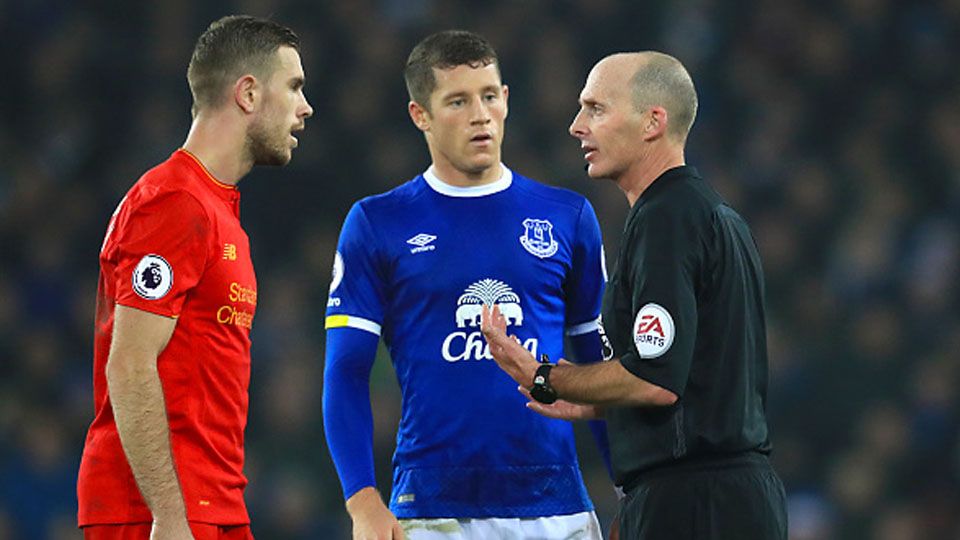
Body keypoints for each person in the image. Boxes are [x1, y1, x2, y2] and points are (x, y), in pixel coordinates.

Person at [480, 52, 789, 539]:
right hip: (724, 497)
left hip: (695, 503)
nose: (576, 125)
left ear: (653, 122)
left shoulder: (666, 219)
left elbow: (656, 379)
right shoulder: (713, 215)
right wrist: (600, 405)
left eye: (596, 108)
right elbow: (696, 381)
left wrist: (548, 376)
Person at [323, 30, 610, 540]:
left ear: (507, 101)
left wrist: (628, 486)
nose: (480, 114)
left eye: (489, 96)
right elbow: (346, 371)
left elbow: (600, 365)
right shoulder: (378, 222)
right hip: (433, 510)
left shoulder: (567, 216)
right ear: (421, 115)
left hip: (556, 507)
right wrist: (362, 499)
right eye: (457, 101)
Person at [77, 15, 313, 540]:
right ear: (248, 93)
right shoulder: (173, 204)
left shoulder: (218, 212)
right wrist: (169, 514)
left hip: (213, 503)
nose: (305, 107)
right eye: (294, 87)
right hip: (156, 513)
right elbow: (130, 364)